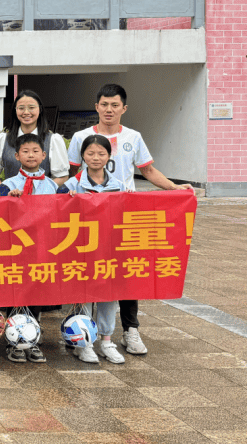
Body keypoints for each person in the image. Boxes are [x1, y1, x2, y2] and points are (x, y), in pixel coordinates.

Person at [67, 83, 193, 356]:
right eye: (104, 104)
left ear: (124, 108)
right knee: (88, 273)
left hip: (124, 216)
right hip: (88, 218)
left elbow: (147, 170)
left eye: (114, 105)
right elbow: (72, 174)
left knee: (125, 272)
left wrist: (173, 188)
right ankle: (82, 334)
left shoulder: (133, 137)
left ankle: (130, 330)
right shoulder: (81, 137)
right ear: (97, 107)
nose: (109, 110)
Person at [0, 134, 67, 364]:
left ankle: (33, 340)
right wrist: (9, 200)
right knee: (16, 294)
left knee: (36, 294)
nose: (31, 155)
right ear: (17, 156)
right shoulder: (8, 185)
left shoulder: (53, 187)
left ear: (44, 156)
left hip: (41, 250)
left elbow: (63, 214)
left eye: (36, 151)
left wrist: (72, 198)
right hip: (15, 251)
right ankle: (13, 341)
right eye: (25, 151)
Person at [64, 134, 127, 365]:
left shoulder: (119, 186)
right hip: (80, 250)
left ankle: (106, 341)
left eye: (101, 153)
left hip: (109, 250)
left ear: (109, 156)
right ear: (82, 156)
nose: (96, 158)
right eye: (90, 153)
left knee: (108, 294)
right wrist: (66, 200)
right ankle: (84, 342)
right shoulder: (72, 185)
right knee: (82, 295)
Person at [0, 89, 69, 188]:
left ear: (40, 109)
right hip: (11, 200)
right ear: (15, 110)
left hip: (43, 200)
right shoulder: (3, 139)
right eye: (21, 108)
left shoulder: (53, 140)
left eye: (31, 107)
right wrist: (6, 191)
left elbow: (62, 176)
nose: (26, 112)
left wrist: (42, 191)